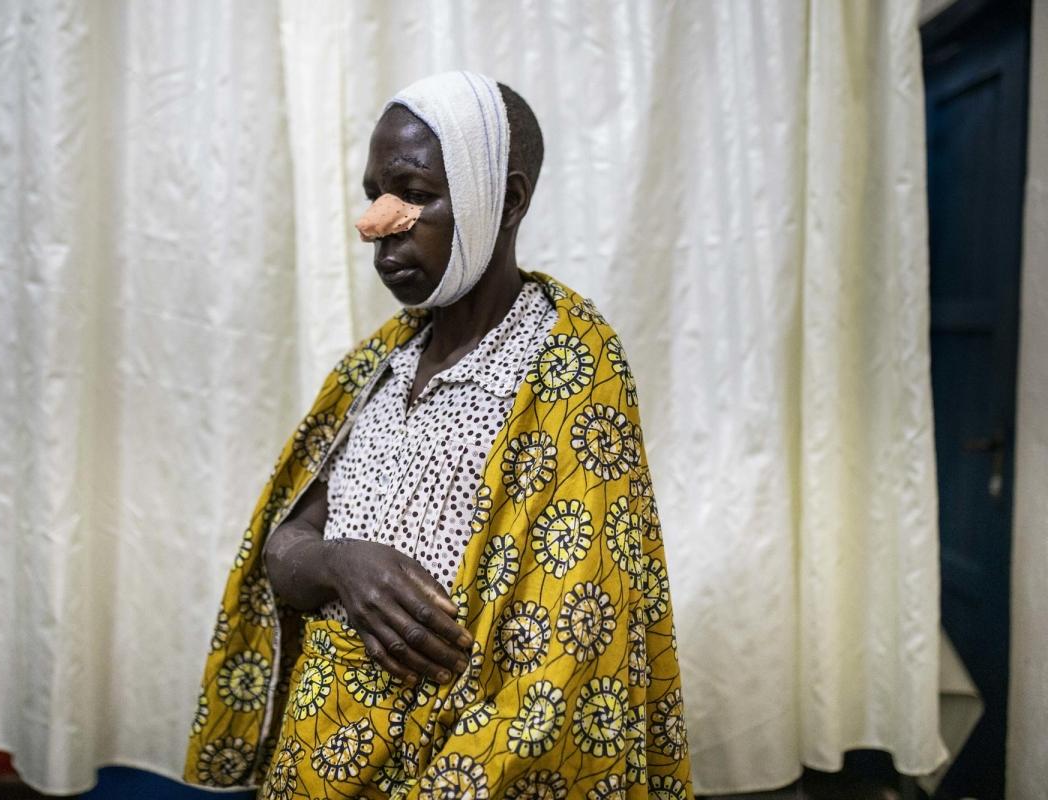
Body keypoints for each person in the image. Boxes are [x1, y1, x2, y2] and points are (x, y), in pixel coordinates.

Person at [184, 71, 692, 799]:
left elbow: (570, 651)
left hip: (460, 769)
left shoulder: (567, 369)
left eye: (415, 193)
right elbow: (281, 552)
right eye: (374, 195)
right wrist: (338, 564)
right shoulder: (376, 364)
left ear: (508, 200)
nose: (379, 223)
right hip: (319, 764)